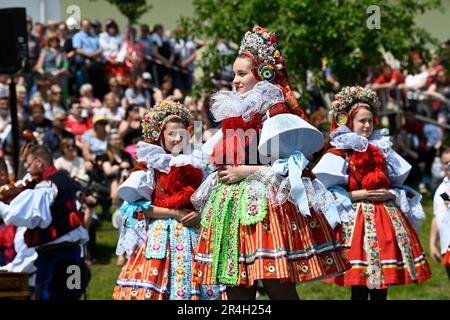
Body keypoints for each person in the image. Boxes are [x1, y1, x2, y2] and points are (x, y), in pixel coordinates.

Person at [191, 26, 349, 300]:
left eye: (242, 74)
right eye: (234, 74)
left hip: (265, 204)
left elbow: (292, 165)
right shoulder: (234, 111)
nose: (235, 81)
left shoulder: (274, 110)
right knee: (236, 286)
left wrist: (246, 170)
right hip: (230, 207)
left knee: (276, 283)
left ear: (261, 74)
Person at [313, 86, 432, 300]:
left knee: (380, 286)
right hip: (355, 220)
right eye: (362, 121)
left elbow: (398, 184)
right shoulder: (340, 152)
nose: (367, 125)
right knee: (359, 287)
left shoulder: (382, 148)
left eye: (370, 120)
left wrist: (390, 195)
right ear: (349, 122)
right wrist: (360, 195)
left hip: (384, 220)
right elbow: (323, 190)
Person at [112, 100, 226, 300]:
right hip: (161, 236)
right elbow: (139, 208)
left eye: (181, 133)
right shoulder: (150, 165)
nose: (176, 139)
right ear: (159, 136)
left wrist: (200, 215)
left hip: (197, 234)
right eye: (171, 134)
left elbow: (214, 198)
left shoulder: (199, 161)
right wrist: (175, 213)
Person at [0, 145, 89, 299]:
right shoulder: (62, 179)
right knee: (65, 295)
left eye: (29, 165)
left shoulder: (46, 185)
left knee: (52, 295)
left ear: (40, 162)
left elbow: (23, 215)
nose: (27, 170)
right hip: (68, 251)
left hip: (58, 254)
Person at [431, 147, 450, 281]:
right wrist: (432, 244)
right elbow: (436, 216)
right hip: (446, 250)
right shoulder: (440, 189)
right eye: (446, 162)